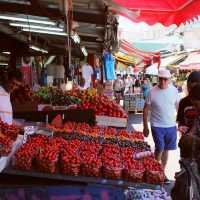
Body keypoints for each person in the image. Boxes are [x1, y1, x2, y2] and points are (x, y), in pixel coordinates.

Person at [143, 69, 179, 184]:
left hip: (171, 126)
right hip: (157, 125)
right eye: (161, 79)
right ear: (158, 79)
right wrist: (145, 126)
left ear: (169, 80)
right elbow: (146, 109)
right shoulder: (151, 92)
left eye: (165, 79)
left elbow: (178, 107)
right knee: (160, 148)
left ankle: (162, 172)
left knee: (167, 149)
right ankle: (154, 171)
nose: (163, 81)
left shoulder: (174, 91)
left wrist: (180, 124)